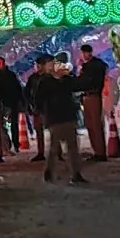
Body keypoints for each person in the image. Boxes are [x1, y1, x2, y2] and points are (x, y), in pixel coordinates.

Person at [34, 54, 88, 184]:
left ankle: (76, 173)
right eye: (51, 63)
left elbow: (79, 85)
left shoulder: (67, 79)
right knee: (54, 148)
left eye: (55, 62)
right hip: (54, 117)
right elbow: (38, 99)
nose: (54, 65)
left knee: (73, 147)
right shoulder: (44, 81)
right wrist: (41, 113)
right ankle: (49, 171)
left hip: (68, 116)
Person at [78, 44, 108, 162]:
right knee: (90, 125)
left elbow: (85, 80)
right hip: (87, 96)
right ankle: (97, 151)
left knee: (95, 125)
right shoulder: (94, 65)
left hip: (93, 96)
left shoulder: (93, 66)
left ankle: (100, 152)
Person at [0, 57, 24, 155]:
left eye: (0, 63)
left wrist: (19, 101)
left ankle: (15, 144)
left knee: (13, 125)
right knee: (3, 126)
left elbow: (17, 89)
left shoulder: (10, 75)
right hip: (1, 103)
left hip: (11, 103)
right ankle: (8, 145)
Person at [23, 57, 46, 162]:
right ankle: (40, 152)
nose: (37, 67)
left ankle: (57, 153)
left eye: (39, 65)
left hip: (47, 107)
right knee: (39, 131)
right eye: (36, 65)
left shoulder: (48, 77)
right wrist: (30, 104)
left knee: (54, 131)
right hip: (36, 107)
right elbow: (26, 92)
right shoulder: (33, 78)